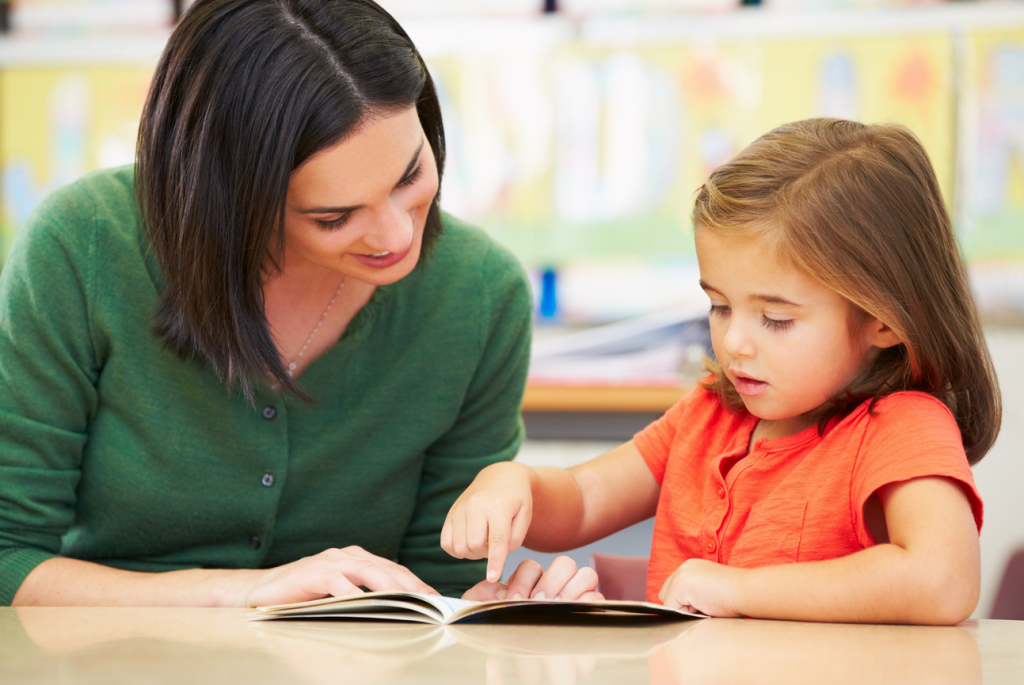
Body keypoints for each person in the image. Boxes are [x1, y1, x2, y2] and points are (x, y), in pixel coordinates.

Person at [0, 0, 596, 607]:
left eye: (410, 175)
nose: (396, 237)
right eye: (334, 216)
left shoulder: (478, 294)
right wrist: (248, 593)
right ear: (231, 202)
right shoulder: (84, 246)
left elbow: (433, 587)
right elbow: (7, 559)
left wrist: (484, 610)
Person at [443, 118, 1000, 623]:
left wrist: (738, 590)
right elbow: (587, 499)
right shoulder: (709, 413)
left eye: (776, 319)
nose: (734, 342)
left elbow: (941, 581)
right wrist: (512, 484)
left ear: (883, 321)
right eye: (719, 306)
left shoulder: (901, 427)